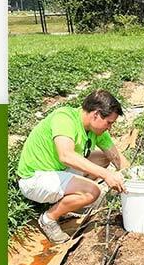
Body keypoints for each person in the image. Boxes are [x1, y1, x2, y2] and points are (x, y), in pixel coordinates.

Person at [15, 89, 130, 244]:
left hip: (58, 171)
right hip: (35, 179)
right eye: (109, 122)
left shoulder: (95, 129)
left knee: (103, 158)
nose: (109, 127)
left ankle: (70, 201)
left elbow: (115, 157)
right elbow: (66, 155)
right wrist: (107, 175)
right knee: (92, 192)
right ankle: (49, 218)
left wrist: (134, 177)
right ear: (95, 114)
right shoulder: (64, 118)